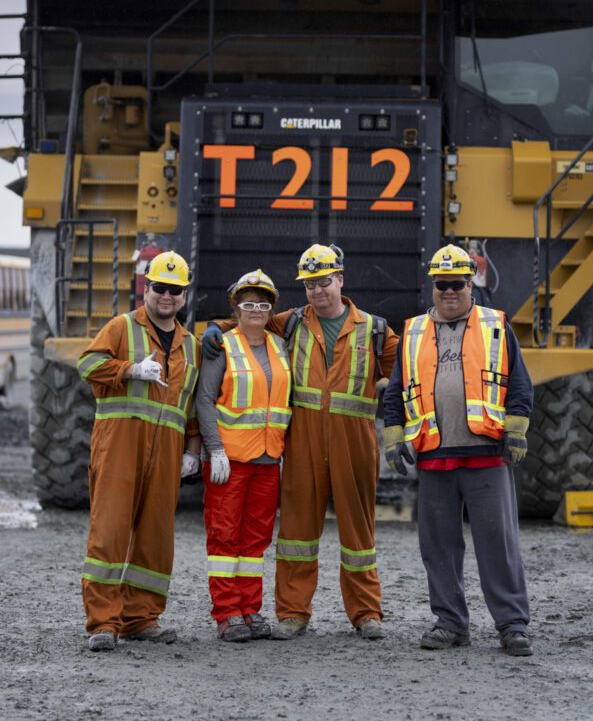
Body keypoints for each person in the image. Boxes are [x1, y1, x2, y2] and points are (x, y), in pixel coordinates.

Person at [203, 244, 398, 641]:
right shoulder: (289, 322)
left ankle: (365, 613)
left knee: (359, 534)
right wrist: (215, 329)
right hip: (303, 440)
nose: (317, 291)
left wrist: (398, 430)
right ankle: (293, 612)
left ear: (340, 280)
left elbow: (402, 376)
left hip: (354, 441)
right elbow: (248, 323)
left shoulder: (375, 329)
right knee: (296, 533)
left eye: (324, 282)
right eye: (309, 284)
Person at [382, 244, 534, 656]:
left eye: (458, 284)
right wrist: (393, 439)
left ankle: (512, 625)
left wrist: (516, 431)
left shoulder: (496, 325)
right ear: (432, 286)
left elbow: (520, 385)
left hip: (486, 456)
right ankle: (451, 623)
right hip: (435, 459)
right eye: (442, 284)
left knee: (498, 544)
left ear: (472, 285)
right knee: (439, 548)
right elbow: (394, 392)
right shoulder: (413, 332)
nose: (449, 291)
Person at [77, 250, 201, 652]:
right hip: (119, 446)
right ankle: (103, 624)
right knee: (109, 532)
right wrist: (130, 369)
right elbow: (87, 364)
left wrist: (192, 450)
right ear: (146, 288)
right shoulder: (122, 327)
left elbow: (194, 406)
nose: (167, 296)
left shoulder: (191, 346)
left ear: (184, 295)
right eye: (160, 288)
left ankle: (141, 618)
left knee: (156, 536)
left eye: (175, 290)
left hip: (166, 452)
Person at [196, 270, 291, 642]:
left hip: (268, 459)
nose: (256, 309)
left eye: (263, 304)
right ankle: (227, 613)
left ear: (271, 310)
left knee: (255, 542)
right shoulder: (222, 345)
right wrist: (214, 449)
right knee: (224, 539)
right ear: (235, 308)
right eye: (248, 303)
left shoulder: (279, 345)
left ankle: (250, 609)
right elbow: (204, 399)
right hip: (229, 462)